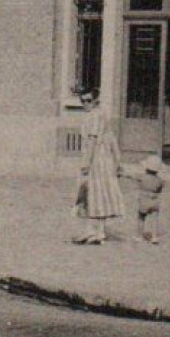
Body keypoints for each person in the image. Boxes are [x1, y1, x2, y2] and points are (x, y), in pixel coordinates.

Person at [72, 87, 124, 244]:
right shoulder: (101, 115)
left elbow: (93, 140)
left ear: (96, 100)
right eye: (82, 101)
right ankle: (97, 231)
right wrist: (117, 159)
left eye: (88, 100)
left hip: (96, 159)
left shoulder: (95, 116)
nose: (85, 104)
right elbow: (111, 137)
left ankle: (94, 231)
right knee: (98, 194)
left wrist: (86, 163)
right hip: (103, 158)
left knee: (92, 193)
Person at [135, 157, 165, 244]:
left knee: (141, 218)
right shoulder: (160, 180)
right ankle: (154, 237)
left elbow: (136, 180)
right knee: (154, 219)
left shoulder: (142, 177)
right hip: (154, 200)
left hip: (144, 200)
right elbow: (160, 189)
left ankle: (139, 236)